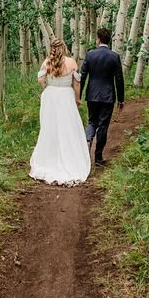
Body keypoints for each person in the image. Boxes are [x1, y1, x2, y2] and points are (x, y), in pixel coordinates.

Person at [29, 38, 91, 185]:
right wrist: (77, 99)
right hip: (66, 97)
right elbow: (77, 84)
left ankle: (48, 159)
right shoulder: (71, 62)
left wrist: (47, 89)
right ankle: (70, 158)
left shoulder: (46, 62)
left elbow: (41, 79)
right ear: (64, 48)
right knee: (68, 127)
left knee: (49, 128)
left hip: (50, 97)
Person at [80, 27, 125, 166]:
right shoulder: (114, 56)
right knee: (103, 125)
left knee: (92, 121)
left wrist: (79, 94)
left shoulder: (90, 55)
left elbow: (83, 76)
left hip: (92, 95)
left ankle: (88, 141)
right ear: (108, 40)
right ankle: (98, 158)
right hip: (107, 96)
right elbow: (119, 79)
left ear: (98, 39)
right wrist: (121, 99)